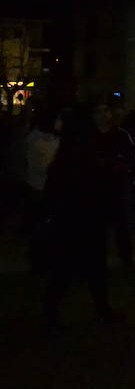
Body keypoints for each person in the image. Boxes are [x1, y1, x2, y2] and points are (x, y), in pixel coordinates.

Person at [43, 108, 123, 332]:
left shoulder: (67, 158)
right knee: (78, 270)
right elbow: (96, 188)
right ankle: (97, 311)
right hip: (83, 222)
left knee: (73, 271)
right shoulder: (82, 158)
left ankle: (96, 311)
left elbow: (53, 194)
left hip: (74, 223)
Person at [91, 102, 135, 270]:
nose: (103, 115)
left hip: (117, 187)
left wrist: (120, 165)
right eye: (99, 111)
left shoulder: (121, 135)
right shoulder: (89, 136)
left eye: (106, 110)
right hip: (95, 189)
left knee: (121, 226)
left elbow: (131, 156)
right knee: (96, 228)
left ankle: (126, 258)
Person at [23, 108, 60, 273]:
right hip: (41, 188)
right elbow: (46, 166)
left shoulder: (46, 138)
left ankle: (43, 260)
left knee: (44, 226)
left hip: (42, 187)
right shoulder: (38, 140)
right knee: (41, 226)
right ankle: (39, 262)